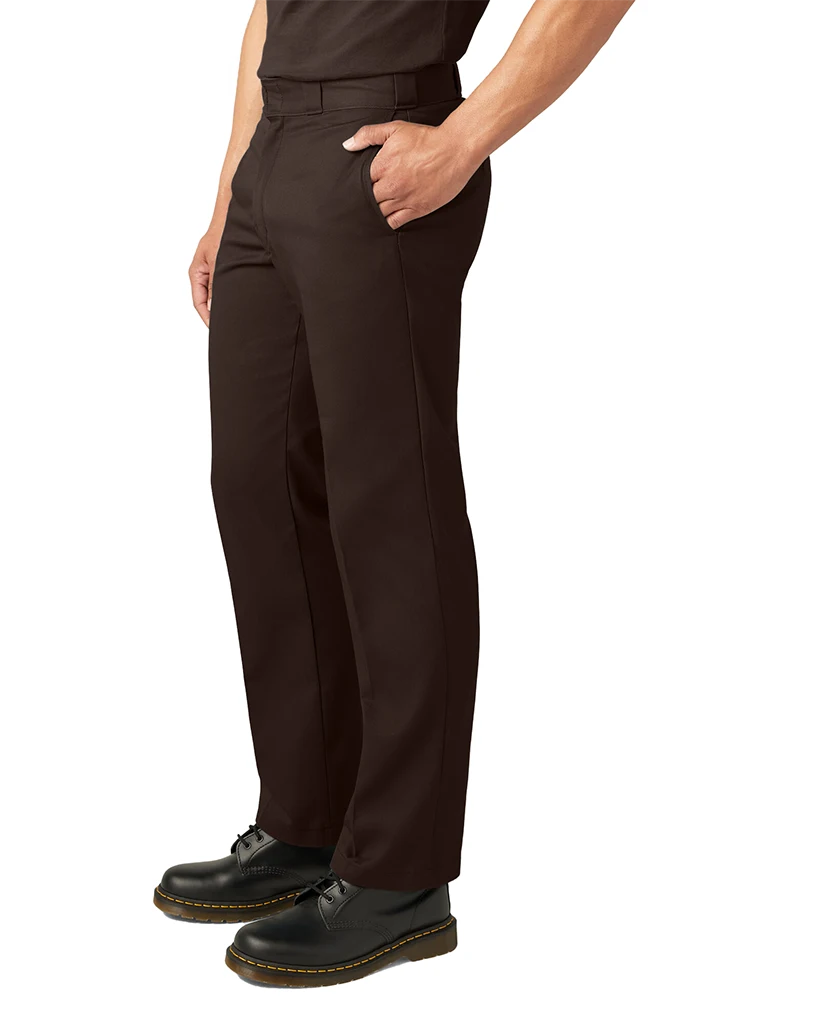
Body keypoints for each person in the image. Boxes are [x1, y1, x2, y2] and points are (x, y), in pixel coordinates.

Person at [155, 0, 635, 986]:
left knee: (389, 508)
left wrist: (462, 139)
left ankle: (400, 876)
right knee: (254, 486)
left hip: (382, 146)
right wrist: (230, 188)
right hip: (274, 148)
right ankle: (307, 824)